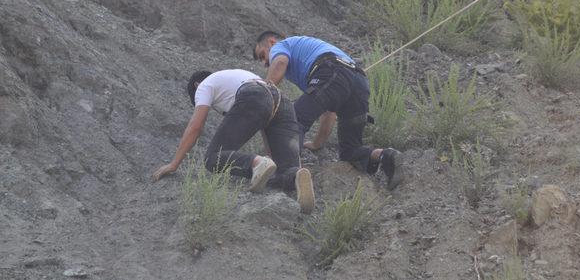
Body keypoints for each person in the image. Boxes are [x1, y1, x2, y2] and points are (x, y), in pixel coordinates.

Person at [253, 32, 404, 190]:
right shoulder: (306, 67)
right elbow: (329, 110)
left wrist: (265, 93)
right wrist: (317, 143)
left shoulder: (280, 46)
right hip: (359, 82)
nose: (265, 63)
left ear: (271, 42)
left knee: (291, 121)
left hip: (333, 69)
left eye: (263, 55)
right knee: (350, 150)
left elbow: (280, 62)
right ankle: (386, 156)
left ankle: (286, 175)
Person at [152, 69, 315, 214]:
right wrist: (270, 158)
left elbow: (196, 127)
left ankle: (257, 163)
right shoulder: (238, 77)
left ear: (196, 85)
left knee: (213, 158)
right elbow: (263, 124)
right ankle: (296, 175)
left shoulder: (203, 85)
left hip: (254, 96)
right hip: (282, 101)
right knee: (283, 172)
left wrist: (174, 164)